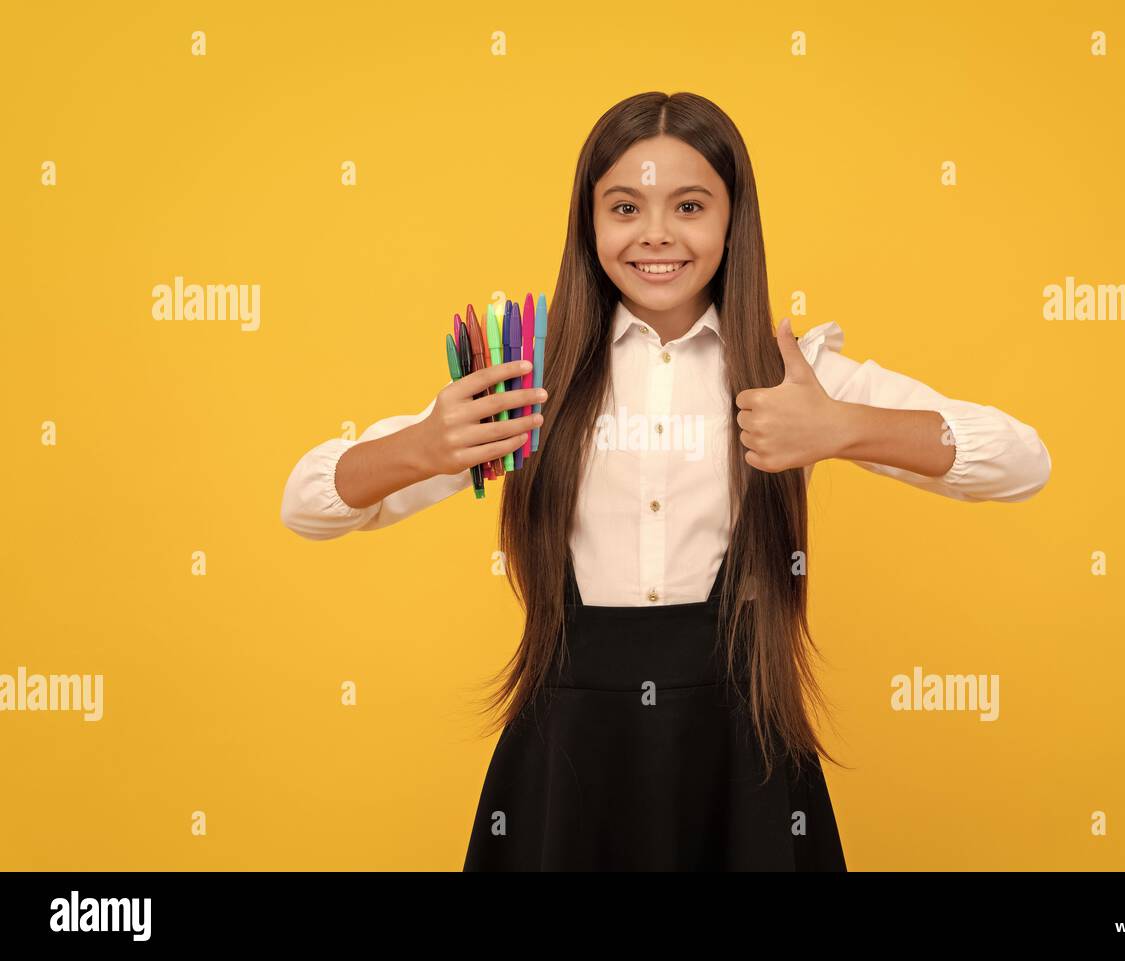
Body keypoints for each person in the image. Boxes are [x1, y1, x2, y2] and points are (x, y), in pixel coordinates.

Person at [280, 91, 1052, 871]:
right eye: (625, 206)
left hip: (743, 769)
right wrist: (425, 444)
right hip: (565, 773)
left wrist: (845, 427)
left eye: (688, 205)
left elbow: (1022, 460)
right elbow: (308, 502)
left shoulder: (796, 374)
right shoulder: (532, 378)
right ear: (590, 223)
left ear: (731, 219)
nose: (656, 234)